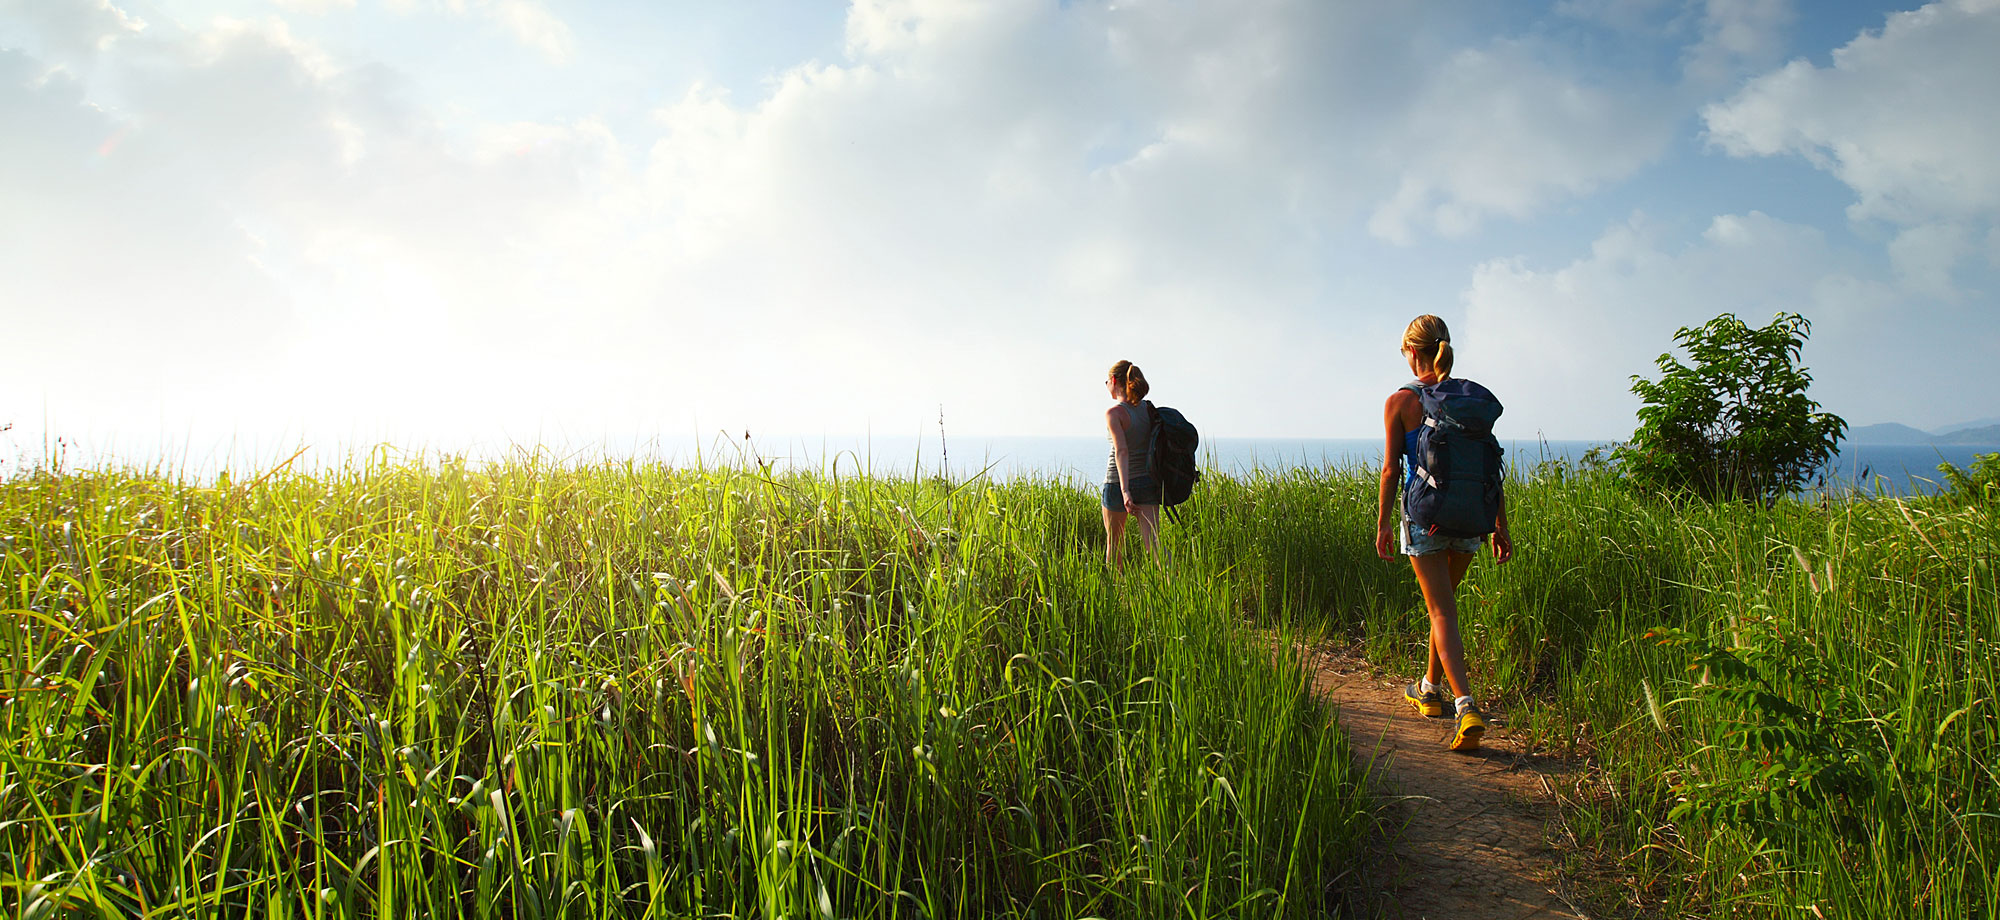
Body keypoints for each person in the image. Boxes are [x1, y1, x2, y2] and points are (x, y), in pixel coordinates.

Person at [1374, 315, 1513, 751]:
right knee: (1445, 608)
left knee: (1442, 614)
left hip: (1425, 520)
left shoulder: (1400, 401)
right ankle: (1428, 690)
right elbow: (1491, 467)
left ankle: (1466, 705)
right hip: (1471, 519)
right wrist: (1499, 525)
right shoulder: (1468, 399)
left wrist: (1381, 525)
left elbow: (1392, 469)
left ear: (1412, 352)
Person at [1103, 360, 1161, 568]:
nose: (1106, 385)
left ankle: (1115, 597)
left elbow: (1122, 450)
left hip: (1116, 484)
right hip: (1146, 482)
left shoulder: (1114, 413)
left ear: (1114, 380)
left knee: (1114, 545)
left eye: (1106, 381)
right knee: (1154, 545)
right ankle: (1175, 589)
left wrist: (1125, 490)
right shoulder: (1148, 409)